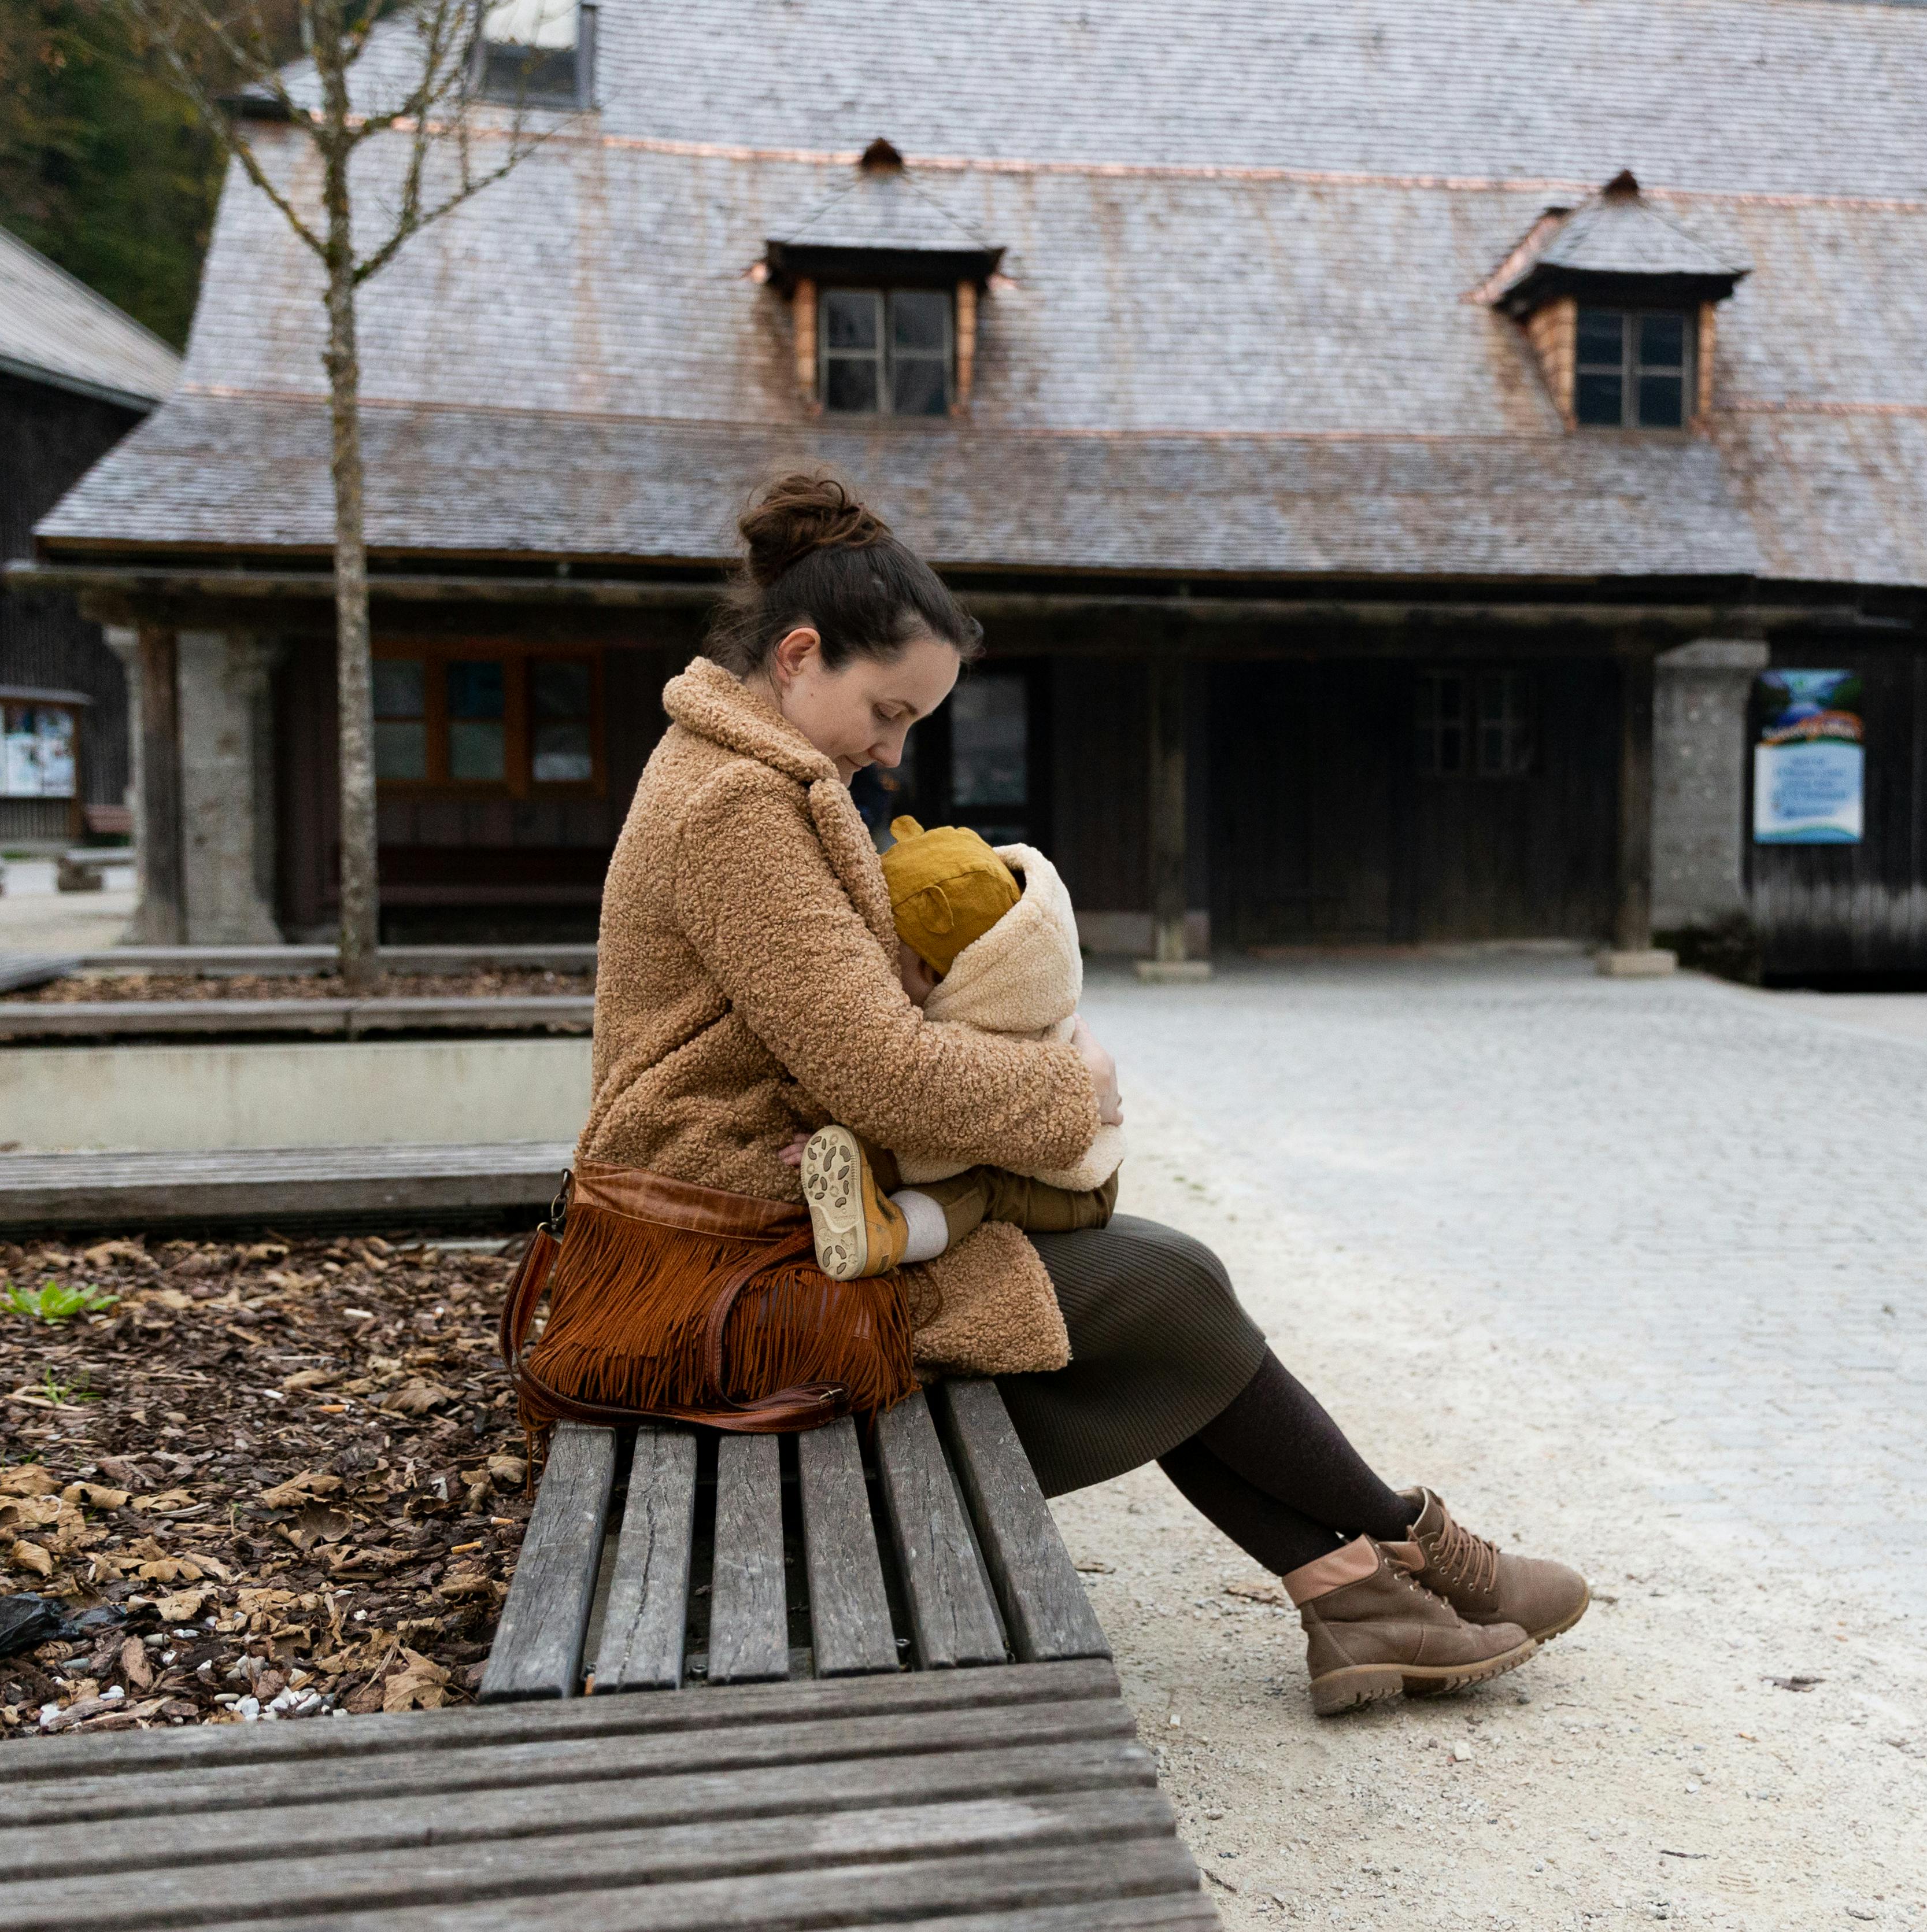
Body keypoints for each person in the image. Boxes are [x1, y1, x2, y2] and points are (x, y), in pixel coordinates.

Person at [521, 471, 1589, 1715]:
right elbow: (881, 1071)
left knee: (1155, 1287)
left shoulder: (753, 774)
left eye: (911, 720)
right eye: (886, 709)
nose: (893, 748)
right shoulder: (734, 804)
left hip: (781, 1225)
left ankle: (1361, 1591)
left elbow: (835, 1034)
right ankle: (1400, 1557)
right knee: (1165, 1286)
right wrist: (1063, 1086)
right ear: (798, 655)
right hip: (733, 1280)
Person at [792, 814, 1124, 1284]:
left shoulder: (990, 1024)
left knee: (978, 1188)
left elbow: (946, 1129)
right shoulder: (997, 988)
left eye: (888, 955)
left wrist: (863, 1155)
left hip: (1077, 1188)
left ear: (929, 972)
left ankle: (889, 1234)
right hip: (1014, 1157)